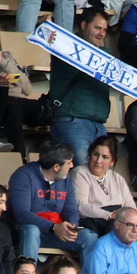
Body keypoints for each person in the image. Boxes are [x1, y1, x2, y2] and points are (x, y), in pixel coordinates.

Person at [48, 9, 115, 166]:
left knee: (102, 172)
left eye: (104, 30)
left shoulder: (107, 54)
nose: (101, 33)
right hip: (72, 121)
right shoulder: (66, 46)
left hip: (99, 124)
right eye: (97, 28)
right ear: (84, 25)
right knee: (83, 169)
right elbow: (50, 37)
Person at [9, 141, 94, 263]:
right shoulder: (23, 176)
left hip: (56, 233)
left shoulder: (66, 179)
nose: (72, 166)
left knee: (88, 236)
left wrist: (71, 227)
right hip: (28, 232)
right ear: (56, 167)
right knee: (31, 230)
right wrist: (53, 227)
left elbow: (71, 210)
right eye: (69, 163)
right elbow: (22, 214)